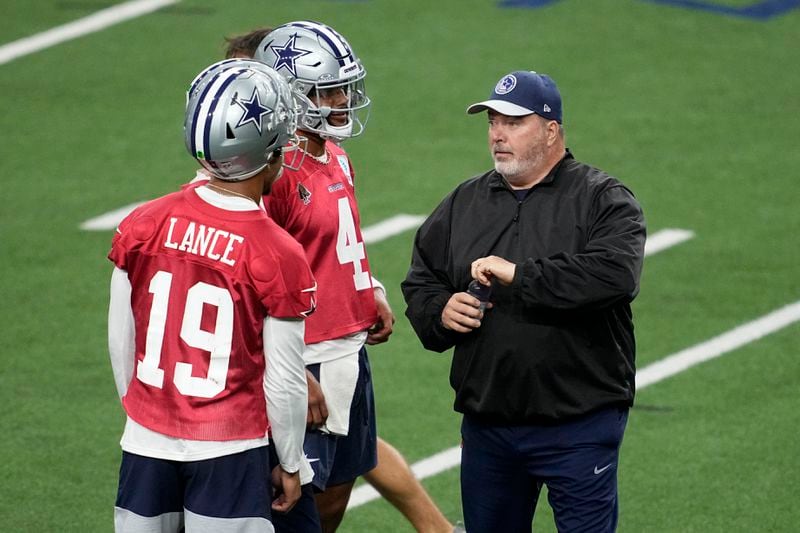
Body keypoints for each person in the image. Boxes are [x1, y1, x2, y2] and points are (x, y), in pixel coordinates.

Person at [402, 70, 646, 532]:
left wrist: (521, 275)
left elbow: (615, 275)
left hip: (578, 425)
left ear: (551, 130)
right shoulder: (464, 202)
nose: (497, 134)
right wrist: (440, 312)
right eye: (493, 121)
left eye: (514, 122)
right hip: (489, 425)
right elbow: (422, 281)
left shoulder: (602, 199)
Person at [251, 21, 458, 533]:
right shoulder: (274, 175)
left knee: (336, 493)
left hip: (349, 353)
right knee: (292, 506)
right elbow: (251, 279)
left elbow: (340, 246)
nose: (343, 100)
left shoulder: (335, 153)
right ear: (291, 96)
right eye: (330, 90)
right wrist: (291, 370)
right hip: (308, 355)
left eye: (344, 87)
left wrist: (372, 290)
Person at [108, 59, 316, 532]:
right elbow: (284, 380)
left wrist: (147, 414)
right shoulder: (276, 249)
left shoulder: (143, 222)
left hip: (145, 444)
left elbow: (123, 343)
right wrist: (289, 461)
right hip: (230, 449)